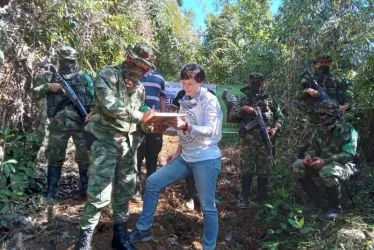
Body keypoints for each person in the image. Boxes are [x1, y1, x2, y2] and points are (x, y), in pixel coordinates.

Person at [128, 64, 223, 250]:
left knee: (207, 206)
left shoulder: (210, 100)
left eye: (190, 84)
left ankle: (209, 247)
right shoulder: (185, 99)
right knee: (154, 182)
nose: (186, 87)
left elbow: (210, 131)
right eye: (183, 83)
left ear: (201, 83)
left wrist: (186, 127)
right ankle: (144, 229)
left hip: (206, 158)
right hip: (186, 157)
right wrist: (175, 144)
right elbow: (182, 129)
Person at [74, 43, 156, 250]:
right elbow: (110, 106)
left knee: (125, 192)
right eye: (140, 66)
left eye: (145, 68)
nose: (142, 71)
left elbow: (141, 116)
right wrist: (140, 116)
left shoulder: (140, 88)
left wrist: (152, 123)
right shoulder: (108, 75)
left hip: (128, 147)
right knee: (98, 193)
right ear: (130, 60)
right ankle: (83, 243)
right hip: (105, 143)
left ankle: (120, 238)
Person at [31, 46, 93, 200]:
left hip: (81, 124)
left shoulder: (84, 78)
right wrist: (48, 87)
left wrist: (92, 113)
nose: (68, 64)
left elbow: (95, 98)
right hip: (58, 125)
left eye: (70, 61)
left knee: (84, 157)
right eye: (65, 61)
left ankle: (86, 190)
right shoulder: (50, 77)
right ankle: (52, 192)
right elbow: (33, 94)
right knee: (54, 157)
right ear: (59, 60)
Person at [292, 101, 358, 222]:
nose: (320, 117)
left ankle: (335, 208)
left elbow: (349, 155)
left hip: (346, 166)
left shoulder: (347, 129)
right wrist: (308, 157)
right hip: (323, 164)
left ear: (332, 114)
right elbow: (313, 148)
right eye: (319, 114)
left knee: (327, 171)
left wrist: (325, 162)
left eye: (323, 114)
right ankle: (317, 200)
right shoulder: (319, 130)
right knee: (297, 166)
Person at [229, 73, 284, 208]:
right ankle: (245, 199)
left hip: (265, 141)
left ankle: (262, 200)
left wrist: (275, 129)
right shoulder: (243, 99)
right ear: (250, 83)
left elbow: (280, 117)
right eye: (254, 84)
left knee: (264, 171)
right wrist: (244, 109)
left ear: (262, 84)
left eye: (258, 84)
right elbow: (231, 116)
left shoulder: (270, 99)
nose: (256, 86)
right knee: (246, 170)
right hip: (248, 142)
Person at [169, 88, 217, 211]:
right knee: (190, 168)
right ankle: (190, 195)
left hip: (207, 142)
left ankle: (206, 198)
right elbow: (172, 110)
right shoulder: (183, 94)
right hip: (189, 136)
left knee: (208, 171)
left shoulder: (210, 94)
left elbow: (212, 124)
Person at [296, 53, 352, 158]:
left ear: (330, 63)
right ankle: (305, 171)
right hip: (313, 120)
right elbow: (298, 95)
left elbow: (347, 96)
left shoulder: (337, 80)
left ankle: (333, 170)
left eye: (326, 62)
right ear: (316, 64)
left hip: (334, 119)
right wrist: (307, 90)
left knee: (335, 147)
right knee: (306, 148)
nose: (323, 64)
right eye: (320, 62)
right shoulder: (308, 79)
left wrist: (345, 106)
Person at [132, 45, 166, 203]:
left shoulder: (159, 78)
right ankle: (136, 191)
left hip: (155, 126)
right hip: (137, 124)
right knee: (137, 158)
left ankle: (151, 190)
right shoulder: (133, 77)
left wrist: (163, 119)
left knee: (152, 157)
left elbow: (163, 99)